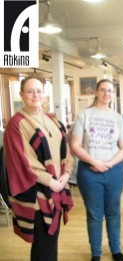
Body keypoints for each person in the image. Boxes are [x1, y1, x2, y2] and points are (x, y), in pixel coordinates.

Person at [3, 76, 74, 261]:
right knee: (44, 244)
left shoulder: (52, 119)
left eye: (39, 90)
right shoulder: (16, 123)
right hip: (38, 194)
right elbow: (24, 161)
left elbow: (66, 150)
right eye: (30, 91)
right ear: (21, 94)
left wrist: (66, 174)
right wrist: (51, 182)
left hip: (57, 188)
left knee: (51, 241)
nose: (35, 95)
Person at [70, 79, 123, 261]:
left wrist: (109, 164)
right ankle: (96, 254)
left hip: (114, 172)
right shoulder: (84, 115)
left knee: (113, 212)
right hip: (89, 173)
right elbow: (75, 145)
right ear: (96, 92)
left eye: (110, 91)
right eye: (103, 90)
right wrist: (94, 161)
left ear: (113, 94)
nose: (106, 94)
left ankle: (116, 251)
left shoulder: (117, 118)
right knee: (95, 214)